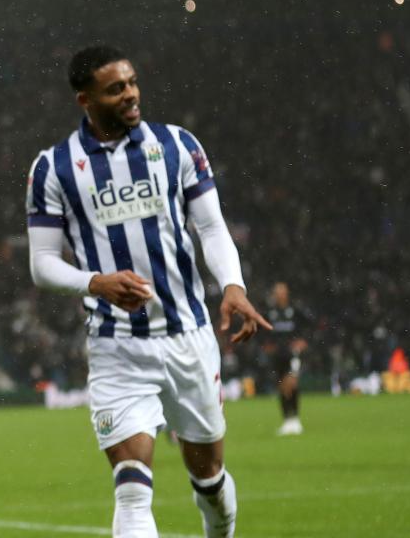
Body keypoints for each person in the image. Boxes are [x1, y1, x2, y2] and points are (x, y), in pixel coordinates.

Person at [26, 45, 271, 538]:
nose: (131, 94)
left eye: (133, 82)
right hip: (117, 346)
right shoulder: (53, 168)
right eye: (116, 88)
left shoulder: (178, 146)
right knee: (132, 489)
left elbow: (211, 227)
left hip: (189, 339)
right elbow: (43, 265)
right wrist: (94, 282)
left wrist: (233, 285)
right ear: (85, 99)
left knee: (209, 481)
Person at [265, 281, 309, 435]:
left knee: (292, 383)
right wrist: (267, 345)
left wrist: (303, 341)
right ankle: (287, 421)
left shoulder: (295, 311)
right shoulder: (271, 313)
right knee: (282, 387)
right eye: (277, 292)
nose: (279, 295)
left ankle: (296, 419)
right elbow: (264, 332)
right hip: (278, 355)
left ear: (287, 294)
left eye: (282, 292)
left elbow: (307, 327)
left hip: (293, 354)